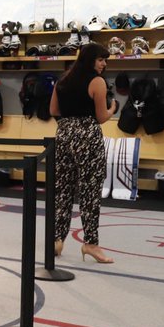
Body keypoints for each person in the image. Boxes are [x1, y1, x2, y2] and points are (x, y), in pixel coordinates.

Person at [50, 42, 118, 263]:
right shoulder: (96, 81)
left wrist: (69, 124)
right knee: (90, 191)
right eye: (101, 60)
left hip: (64, 135)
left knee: (63, 189)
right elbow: (100, 117)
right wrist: (112, 110)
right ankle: (91, 243)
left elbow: (53, 111)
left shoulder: (63, 80)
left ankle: (57, 240)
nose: (104, 64)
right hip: (87, 136)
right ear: (91, 60)